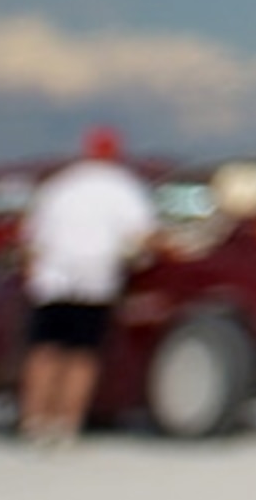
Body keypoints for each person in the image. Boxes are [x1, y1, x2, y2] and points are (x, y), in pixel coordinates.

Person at [17, 125, 157, 450]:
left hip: (51, 282)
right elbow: (143, 236)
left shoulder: (60, 185)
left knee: (45, 352)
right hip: (94, 282)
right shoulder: (122, 187)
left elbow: (31, 239)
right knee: (81, 356)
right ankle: (65, 425)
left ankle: (34, 420)